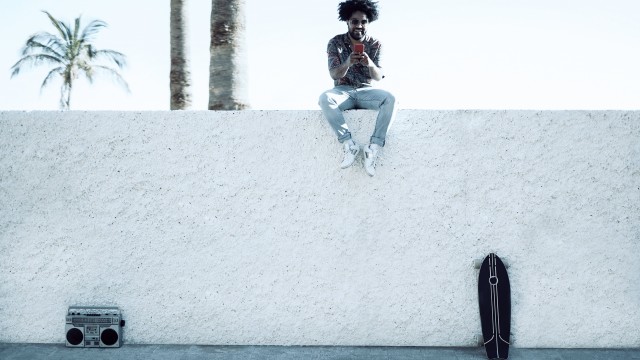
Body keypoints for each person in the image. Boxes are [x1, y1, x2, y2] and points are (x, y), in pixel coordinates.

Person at [318, 0, 397, 177]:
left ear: (368, 22)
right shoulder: (335, 42)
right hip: (343, 91)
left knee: (390, 99)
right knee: (325, 98)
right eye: (355, 21)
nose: (359, 25)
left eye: (363, 21)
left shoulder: (375, 44)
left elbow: (378, 76)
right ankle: (349, 144)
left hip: (366, 91)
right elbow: (334, 75)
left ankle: (374, 147)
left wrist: (369, 63)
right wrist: (348, 62)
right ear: (347, 21)